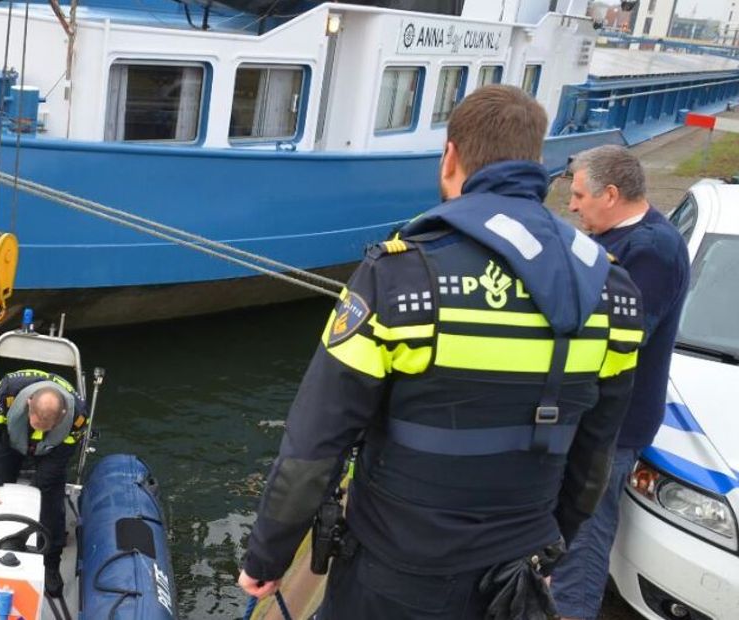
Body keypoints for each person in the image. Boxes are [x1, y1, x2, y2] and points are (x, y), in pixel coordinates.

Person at [238, 85, 645, 619]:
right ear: (535, 161)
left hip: (395, 573)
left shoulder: (401, 275)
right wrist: (550, 540)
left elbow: (318, 438)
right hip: (516, 572)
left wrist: (268, 553)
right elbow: (595, 451)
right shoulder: (613, 292)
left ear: (451, 156)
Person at [551, 145, 690, 620]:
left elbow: (621, 339)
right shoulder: (621, 238)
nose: (571, 206)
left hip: (614, 424)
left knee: (585, 534)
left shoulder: (652, 250)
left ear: (609, 194)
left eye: (579, 195)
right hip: (596, 415)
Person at [0, 368, 88, 597]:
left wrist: (35, 492)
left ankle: (51, 564)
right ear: (28, 403)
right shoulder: (4, 396)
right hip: (12, 438)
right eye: (36, 422)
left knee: (50, 505)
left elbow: (61, 456)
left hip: (52, 449)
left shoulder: (77, 417)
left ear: (63, 413)